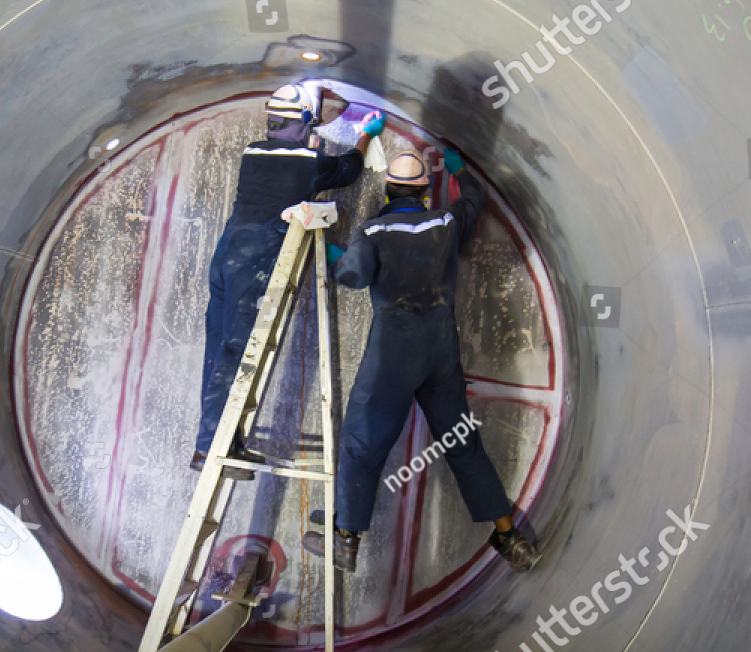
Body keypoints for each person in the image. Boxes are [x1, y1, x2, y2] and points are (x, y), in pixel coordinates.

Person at [304, 148, 539, 571]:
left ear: (389, 190)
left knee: (362, 442)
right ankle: (510, 538)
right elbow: (473, 199)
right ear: (424, 191)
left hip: (392, 354)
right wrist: (460, 168)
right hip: (439, 349)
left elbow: (354, 276)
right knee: (462, 444)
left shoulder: (374, 231)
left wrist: (331, 255)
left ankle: (345, 540)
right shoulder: (447, 222)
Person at [193, 84, 380, 480]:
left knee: (218, 349)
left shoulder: (253, 151)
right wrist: (366, 135)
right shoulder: (306, 161)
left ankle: (208, 444)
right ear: (306, 120)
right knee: (238, 352)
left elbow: (290, 163)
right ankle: (218, 448)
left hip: (228, 251)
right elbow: (348, 169)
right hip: (254, 259)